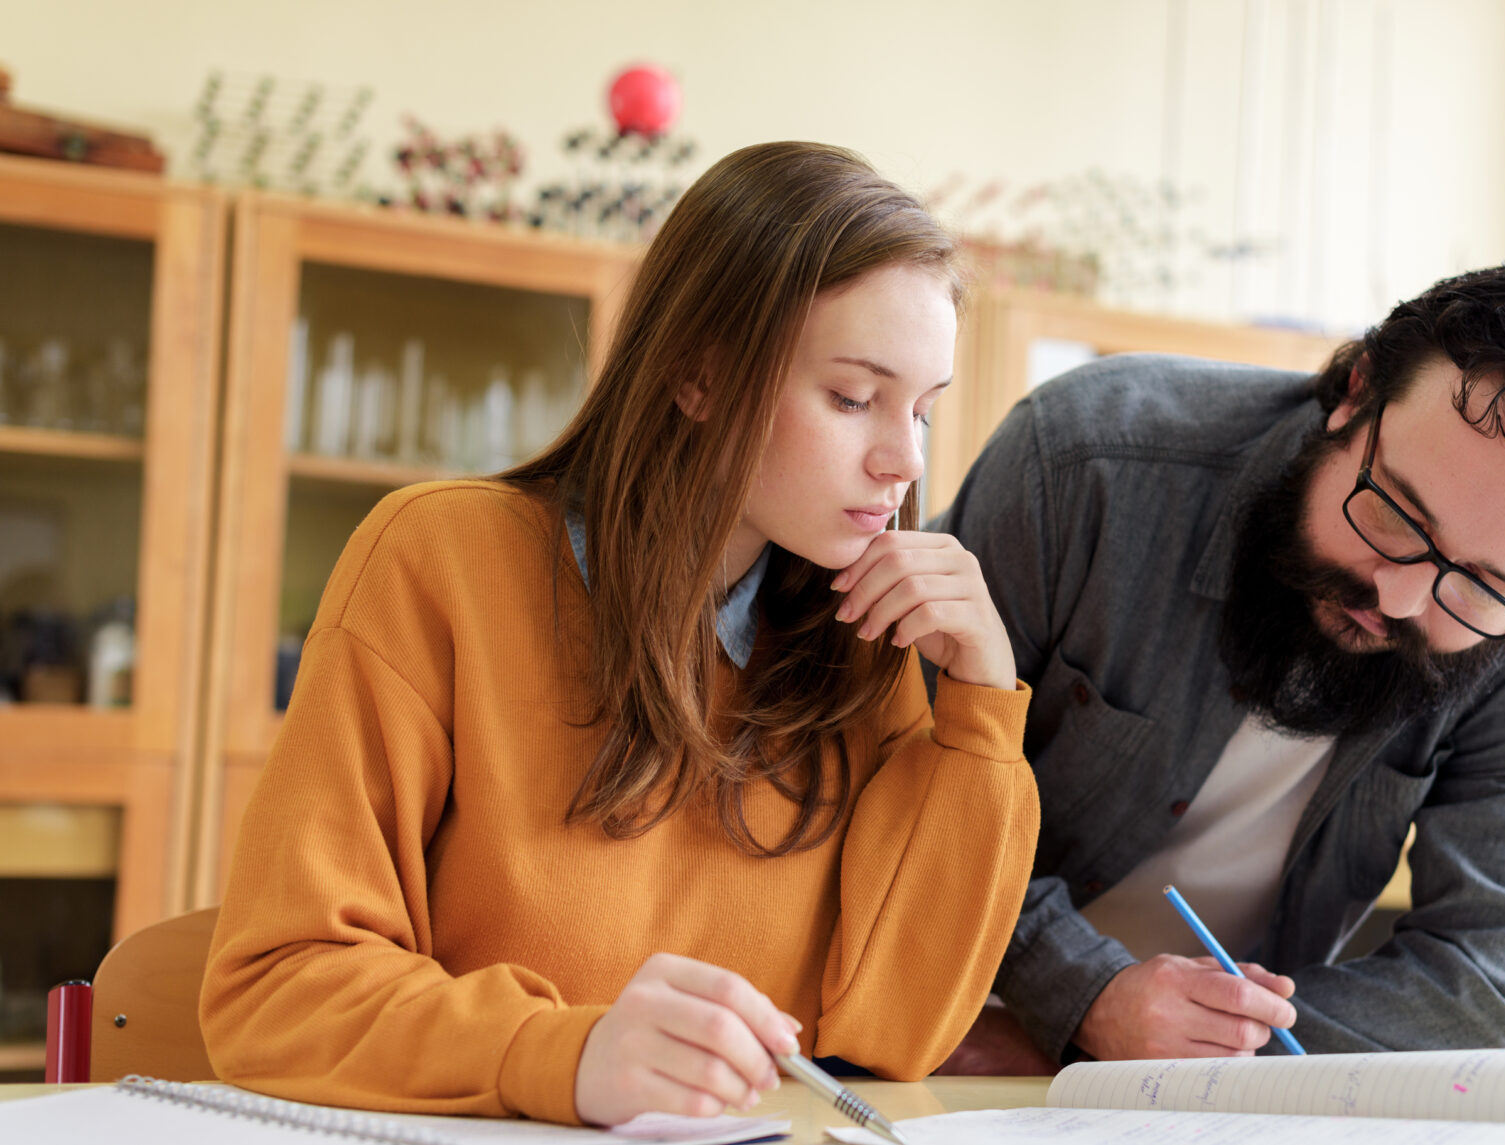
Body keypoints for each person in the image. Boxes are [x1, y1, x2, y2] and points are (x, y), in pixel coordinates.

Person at [200, 141, 1039, 1127]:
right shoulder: (440, 561)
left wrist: (981, 708)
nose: (901, 460)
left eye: (925, 411)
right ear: (698, 375)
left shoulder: (861, 636)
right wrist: (561, 1051)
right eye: (853, 398)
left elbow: (894, 1034)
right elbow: (274, 985)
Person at [932, 264, 1505, 1069]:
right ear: (1354, 392)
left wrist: (1188, 1043)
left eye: (1483, 585)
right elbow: (894, 797)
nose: (1401, 596)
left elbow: (1490, 988)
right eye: (1396, 513)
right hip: (941, 1023)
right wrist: (1083, 996)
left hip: (1210, 1104)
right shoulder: (1086, 460)